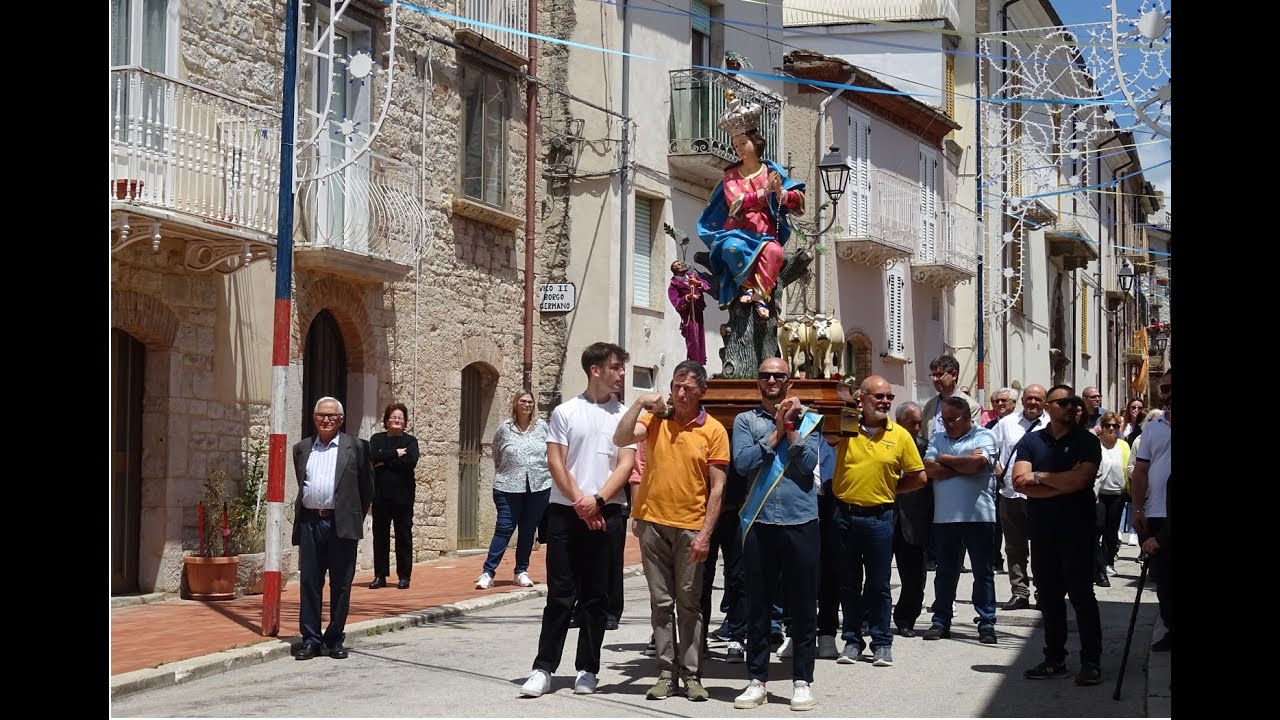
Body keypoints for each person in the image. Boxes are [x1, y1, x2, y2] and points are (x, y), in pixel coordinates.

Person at [519, 343, 637, 698]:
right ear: (595, 370)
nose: (621, 374)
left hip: (608, 512)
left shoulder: (624, 417)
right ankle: (543, 669)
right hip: (565, 512)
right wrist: (580, 502)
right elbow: (556, 462)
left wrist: (598, 501)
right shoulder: (565, 412)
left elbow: (626, 465)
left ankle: (588, 668)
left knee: (596, 597)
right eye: (616, 367)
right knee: (560, 594)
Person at [614, 360, 730, 702]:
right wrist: (638, 403)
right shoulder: (654, 420)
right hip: (652, 522)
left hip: (691, 527)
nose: (680, 393)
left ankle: (692, 674)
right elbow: (620, 437)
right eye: (677, 386)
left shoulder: (714, 431)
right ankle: (666, 673)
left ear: (702, 393)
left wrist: (706, 535)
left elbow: (719, 488)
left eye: (689, 389)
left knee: (689, 603)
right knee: (661, 603)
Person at [730, 358, 823, 711]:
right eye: (766, 375)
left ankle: (802, 680)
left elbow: (808, 464)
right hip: (760, 522)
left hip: (801, 522)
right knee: (758, 605)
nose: (772, 380)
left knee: (802, 606)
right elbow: (743, 464)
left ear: (789, 382)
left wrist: (791, 426)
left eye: (778, 375)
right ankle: (757, 679)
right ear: (758, 381)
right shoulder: (745, 421)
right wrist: (777, 434)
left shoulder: (810, 419)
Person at [830, 376, 928, 669]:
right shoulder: (845, 428)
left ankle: (882, 643)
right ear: (863, 399)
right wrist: (846, 406)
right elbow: (825, 435)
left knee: (879, 584)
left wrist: (889, 490)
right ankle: (851, 640)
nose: (885, 401)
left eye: (888, 397)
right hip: (844, 515)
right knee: (848, 583)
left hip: (880, 518)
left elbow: (919, 477)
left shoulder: (899, 435)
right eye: (879, 396)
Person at [1010, 386, 1104, 686]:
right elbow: (1019, 483)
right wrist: (1060, 482)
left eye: (1074, 402)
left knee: (1081, 596)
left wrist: (1040, 477)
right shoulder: (1031, 441)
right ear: (1049, 407)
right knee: (1049, 598)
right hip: (1042, 529)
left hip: (1077, 529)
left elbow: (1081, 480)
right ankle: (1054, 659)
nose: (1071, 407)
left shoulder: (1087, 441)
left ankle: (1091, 662)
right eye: (1064, 402)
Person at [696, 92, 805, 319]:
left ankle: (759, 294)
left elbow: (797, 200)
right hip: (737, 230)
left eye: (741, 143)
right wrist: (762, 193)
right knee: (731, 248)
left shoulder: (770, 170)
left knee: (775, 251)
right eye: (735, 145)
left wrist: (780, 194)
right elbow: (734, 201)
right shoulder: (731, 176)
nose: (738, 148)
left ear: (754, 143)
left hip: (765, 234)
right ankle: (745, 286)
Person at [292, 397, 373, 661]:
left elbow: (367, 489)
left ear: (341, 419)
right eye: (321, 416)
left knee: (341, 585)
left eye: (331, 416)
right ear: (314, 418)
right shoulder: (302, 449)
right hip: (310, 523)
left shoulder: (357, 448)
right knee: (309, 583)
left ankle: (335, 638)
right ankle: (311, 640)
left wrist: (352, 518)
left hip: (341, 525)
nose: (326, 420)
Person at [921, 397, 1000, 644]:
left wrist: (944, 459)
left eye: (951, 420)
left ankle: (986, 623)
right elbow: (928, 469)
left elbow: (977, 465)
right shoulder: (938, 438)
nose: (946, 425)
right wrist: (961, 463)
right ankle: (940, 621)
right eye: (943, 420)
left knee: (983, 572)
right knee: (945, 572)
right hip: (945, 517)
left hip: (979, 516)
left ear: (967, 418)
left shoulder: (984, 436)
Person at [477, 391, 551, 591]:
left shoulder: (542, 427)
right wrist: (510, 472)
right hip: (507, 486)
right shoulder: (504, 428)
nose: (526, 405)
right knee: (504, 527)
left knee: (528, 530)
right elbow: (497, 455)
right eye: (523, 401)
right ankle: (488, 572)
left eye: (530, 402)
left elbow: (549, 453)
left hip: (538, 486)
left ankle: (521, 571)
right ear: (516, 404)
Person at [990, 383, 1048, 611]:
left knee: (1043, 547)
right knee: (1015, 547)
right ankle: (1020, 592)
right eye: (1029, 398)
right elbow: (988, 446)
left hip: (1042, 495)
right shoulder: (1007, 424)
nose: (1033, 402)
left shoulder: (1051, 425)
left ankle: (1044, 591)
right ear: (1022, 400)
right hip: (1011, 494)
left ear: (1044, 402)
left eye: (1038, 398)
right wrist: (994, 464)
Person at [1130, 369, 1171, 652]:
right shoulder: (1153, 429)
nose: (1168, 394)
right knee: (1164, 580)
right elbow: (1141, 471)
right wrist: (1137, 509)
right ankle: (1171, 627)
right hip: (1158, 512)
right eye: (1165, 388)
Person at [890, 402, 932, 637]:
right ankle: (869, 616)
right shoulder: (885, 443)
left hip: (914, 520)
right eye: (912, 423)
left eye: (919, 423)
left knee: (914, 576)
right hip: (885, 517)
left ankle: (906, 619)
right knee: (876, 575)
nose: (917, 428)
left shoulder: (925, 448)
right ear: (899, 422)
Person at [369, 403, 421, 590]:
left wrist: (384, 461)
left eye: (400, 418)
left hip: (403, 497)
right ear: (386, 420)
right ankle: (380, 575)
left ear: (405, 422)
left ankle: (404, 576)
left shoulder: (410, 441)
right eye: (393, 417)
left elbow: (409, 463)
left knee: (403, 536)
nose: (397, 420)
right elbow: (373, 456)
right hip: (381, 496)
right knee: (380, 536)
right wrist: (395, 454)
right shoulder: (377, 439)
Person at [1092, 411, 1129, 587]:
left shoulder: (1123, 445)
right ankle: (1098, 567)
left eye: (1115, 426)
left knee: (1111, 531)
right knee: (1097, 528)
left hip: (1117, 494)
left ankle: (1108, 563)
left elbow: (1128, 466)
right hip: (1099, 494)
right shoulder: (1095, 445)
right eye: (1108, 426)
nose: (1112, 429)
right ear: (1103, 427)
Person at [669, 260, 712, 365]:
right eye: (678, 265)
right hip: (688, 315)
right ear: (675, 270)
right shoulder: (674, 285)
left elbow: (707, 286)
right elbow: (676, 302)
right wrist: (688, 297)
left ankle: (700, 362)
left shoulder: (691, 276)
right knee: (693, 338)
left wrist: (697, 283)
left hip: (698, 310)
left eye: (681, 263)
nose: (682, 265)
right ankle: (693, 362)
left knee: (700, 337)